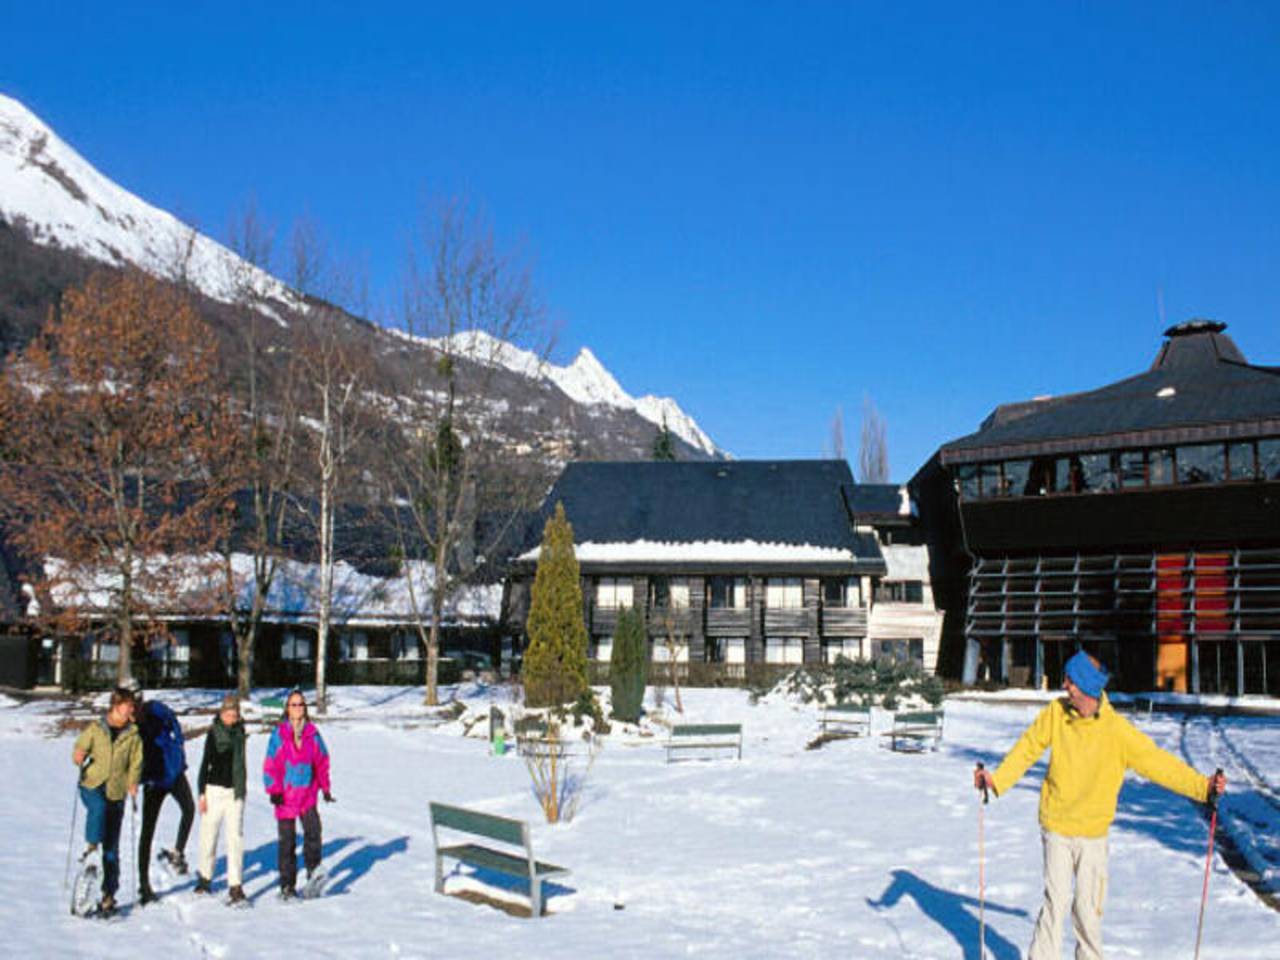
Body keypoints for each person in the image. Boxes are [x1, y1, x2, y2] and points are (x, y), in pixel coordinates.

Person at [973, 650, 1228, 960]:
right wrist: (996, 780)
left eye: (1070, 680)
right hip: (1056, 827)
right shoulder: (1056, 714)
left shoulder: (1117, 733)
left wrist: (1203, 788)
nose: (1064, 685)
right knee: (1055, 903)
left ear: (1086, 687)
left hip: (1093, 835)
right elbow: (1026, 749)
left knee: (1087, 910)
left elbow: (1159, 763)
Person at [72, 686, 142, 916]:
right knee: (98, 808)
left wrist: (133, 783)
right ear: (116, 705)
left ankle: (108, 894)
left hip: (116, 790)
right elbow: (80, 747)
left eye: (132, 706)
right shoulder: (96, 728)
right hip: (92, 784)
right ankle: (91, 846)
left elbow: (135, 763)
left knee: (111, 848)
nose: (131, 709)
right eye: (127, 705)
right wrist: (79, 755)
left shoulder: (133, 734)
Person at [263, 689, 334, 899]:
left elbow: (322, 761)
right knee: (288, 843)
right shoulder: (279, 734)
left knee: (314, 833)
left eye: (301, 705)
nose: (298, 709)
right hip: (285, 795)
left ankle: (313, 874)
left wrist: (325, 787)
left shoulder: (312, 733)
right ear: (287, 709)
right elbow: (270, 764)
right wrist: (274, 789)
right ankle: (287, 886)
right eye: (293, 705)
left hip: (307, 794)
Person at [133, 685, 195, 904]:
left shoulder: (155, 709)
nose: (136, 706)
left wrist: (178, 746)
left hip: (174, 772)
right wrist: (138, 778)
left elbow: (173, 721)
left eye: (138, 700)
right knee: (147, 832)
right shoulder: (132, 728)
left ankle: (178, 853)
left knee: (189, 810)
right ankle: (143, 885)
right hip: (153, 781)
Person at [195, 693, 248, 903]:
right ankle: (205, 878)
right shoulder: (213, 734)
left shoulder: (240, 733)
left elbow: (241, 763)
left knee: (235, 838)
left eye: (234, 713)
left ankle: (235, 885)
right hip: (213, 790)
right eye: (227, 713)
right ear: (221, 713)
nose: (231, 717)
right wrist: (201, 793)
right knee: (209, 836)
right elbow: (204, 763)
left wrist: (241, 790)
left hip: (235, 792)